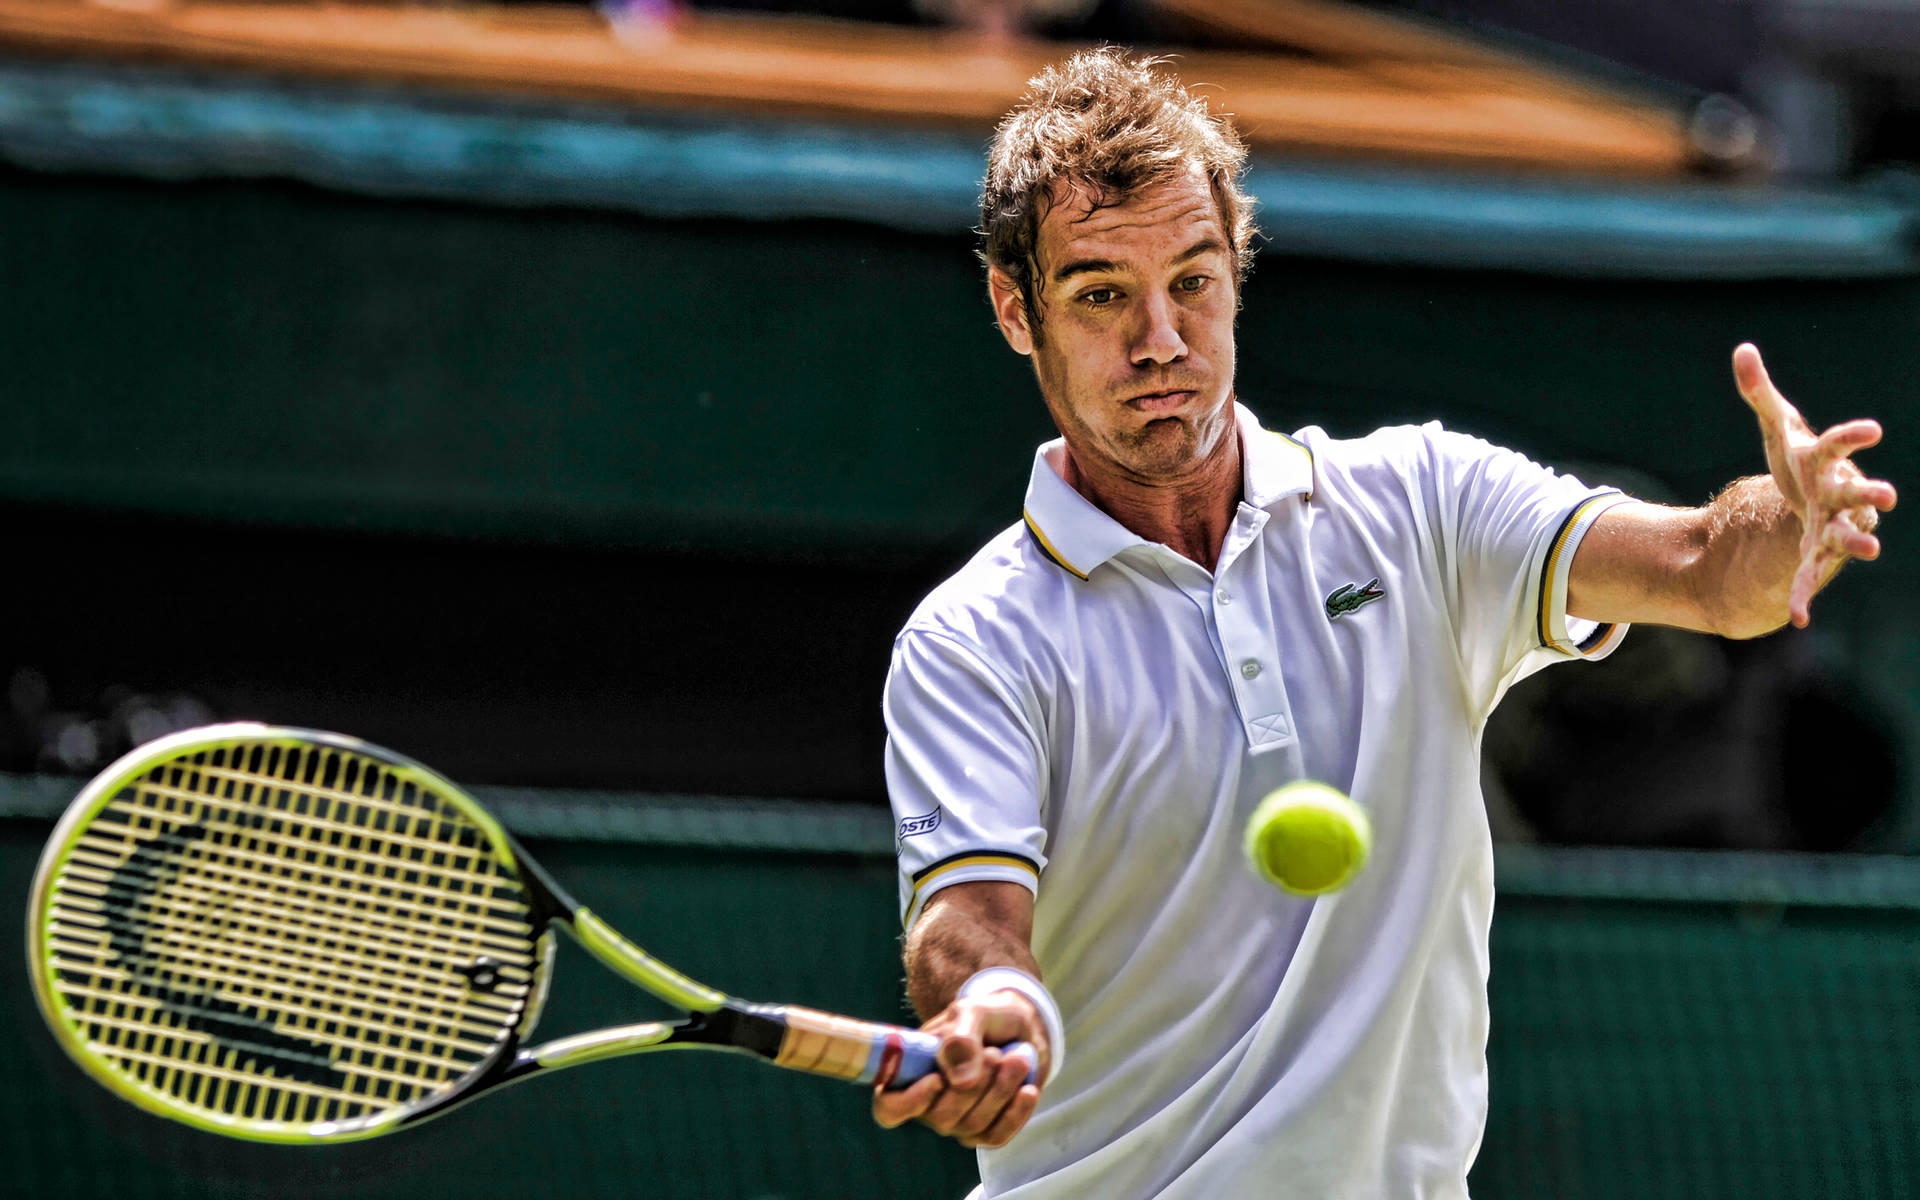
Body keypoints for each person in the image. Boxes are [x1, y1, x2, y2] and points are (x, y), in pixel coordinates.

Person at [869, 47, 1896, 1199]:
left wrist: (1788, 520)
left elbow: (1710, 568)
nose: (1161, 340)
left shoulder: (1421, 504)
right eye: (1102, 293)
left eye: (1194, 283)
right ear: (1018, 310)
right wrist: (994, 1004)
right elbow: (967, 914)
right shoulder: (972, 643)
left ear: (1236, 277)